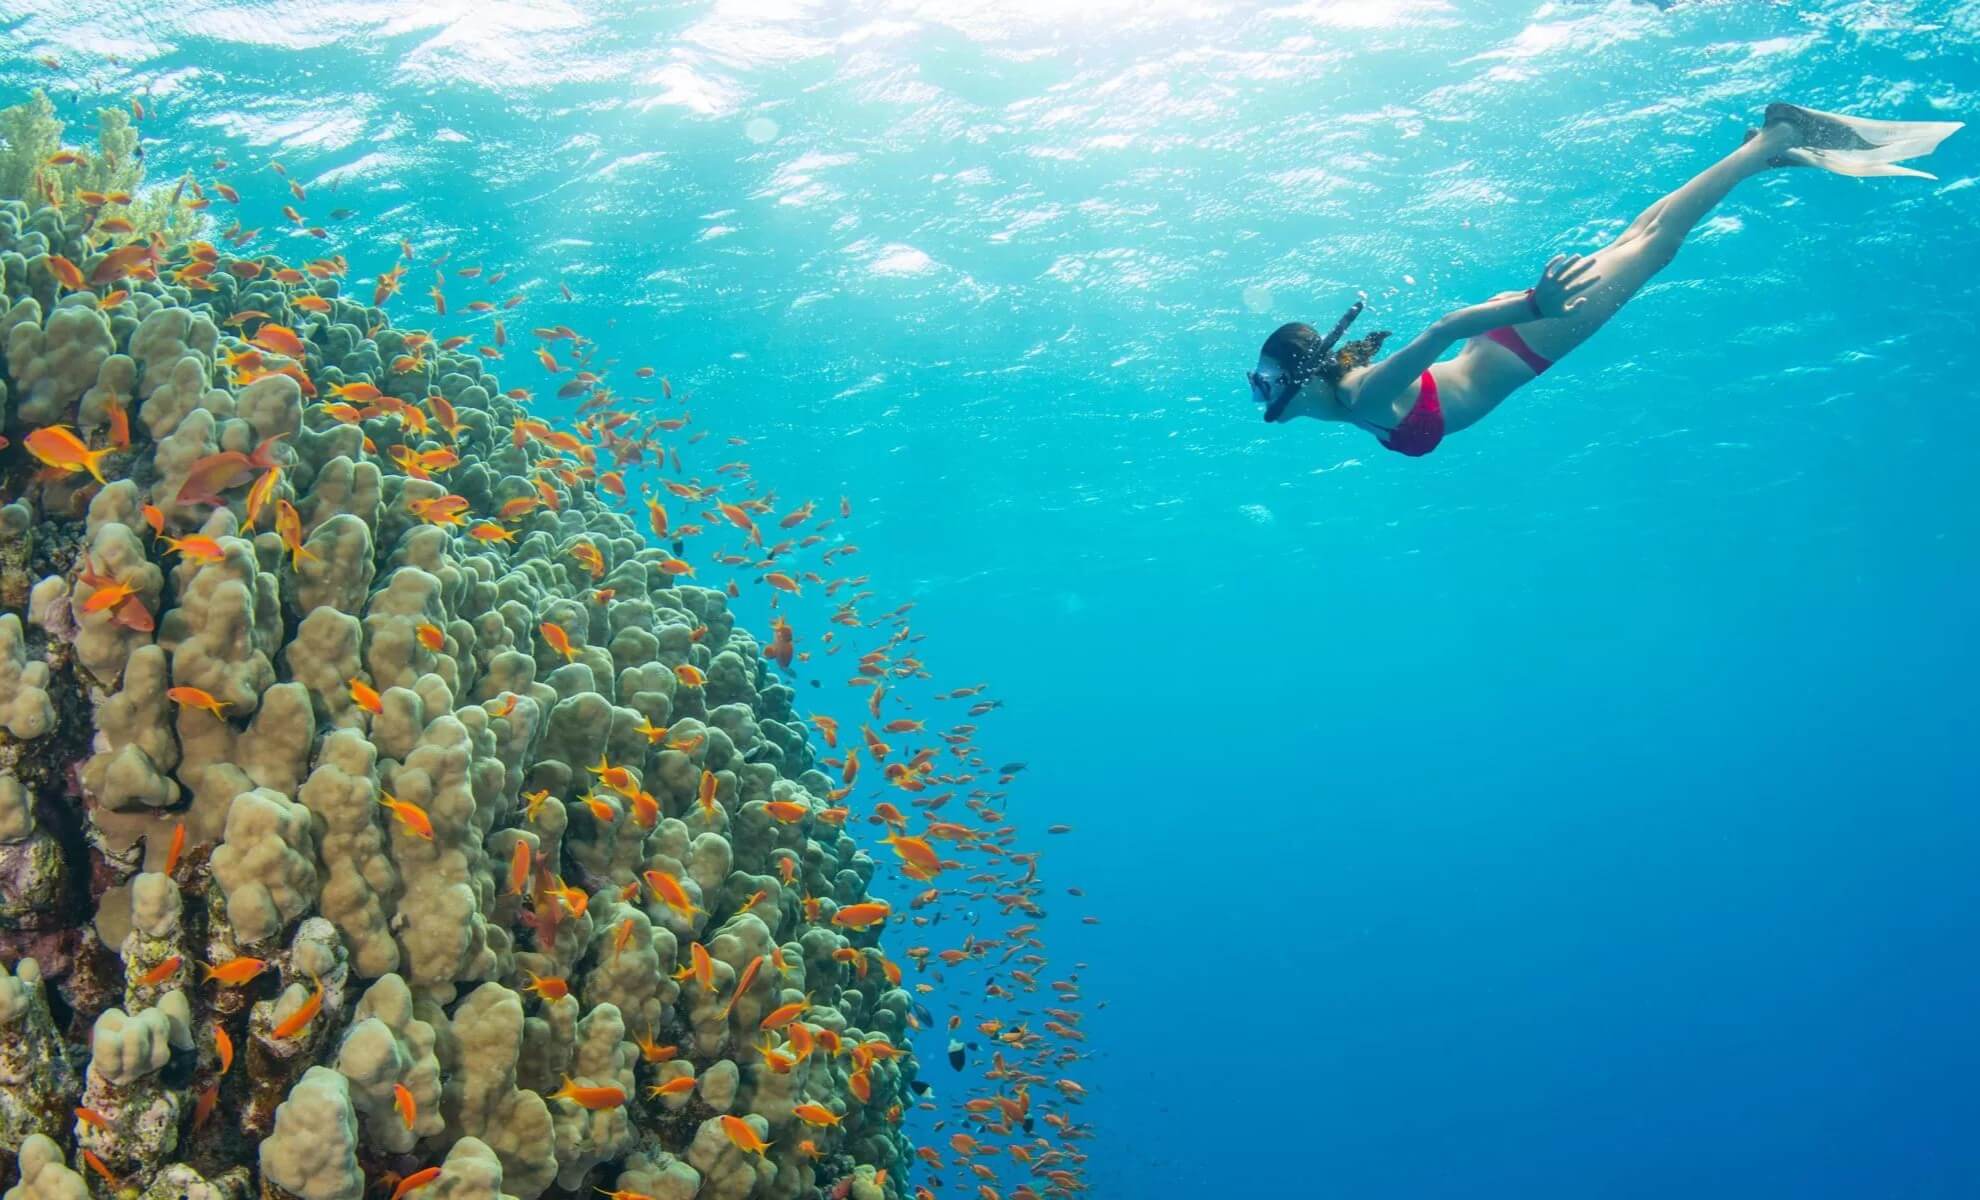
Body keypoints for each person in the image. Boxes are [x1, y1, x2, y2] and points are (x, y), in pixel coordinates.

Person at [1248, 103, 1963, 457]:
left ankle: (1773, 140)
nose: (1272, 402)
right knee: (1640, 240)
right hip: (1512, 335)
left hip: (1526, 338)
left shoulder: (1361, 392)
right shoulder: (1351, 399)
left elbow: (1439, 332)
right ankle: (1755, 155)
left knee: (1657, 245)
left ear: (1303, 378)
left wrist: (1534, 303)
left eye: (1270, 387)